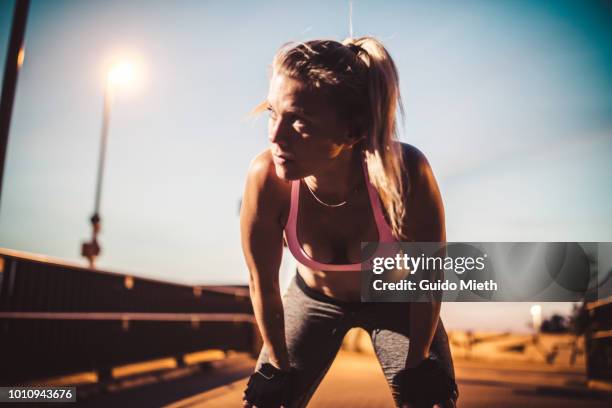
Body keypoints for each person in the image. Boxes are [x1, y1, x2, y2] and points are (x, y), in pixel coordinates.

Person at [240, 36, 458, 408]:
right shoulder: (266, 180)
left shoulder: (405, 174)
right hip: (313, 299)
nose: (275, 136)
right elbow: (261, 283)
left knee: (430, 400)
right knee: (266, 402)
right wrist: (276, 366)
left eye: (300, 122)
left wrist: (419, 360)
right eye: (273, 113)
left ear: (352, 131)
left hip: (396, 299)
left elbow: (429, 279)